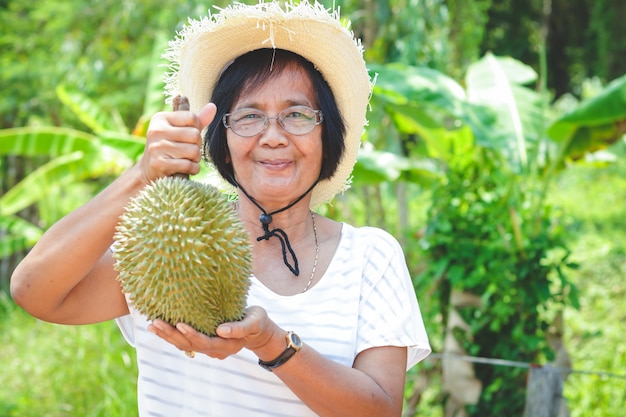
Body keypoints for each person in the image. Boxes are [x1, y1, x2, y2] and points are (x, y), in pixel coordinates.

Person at [10, 1, 430, 416]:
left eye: (297, 115)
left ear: (328, 136)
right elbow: (34, 292)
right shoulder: (168, 242)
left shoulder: (370, 257)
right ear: (222, 143)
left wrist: (271, 342)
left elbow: (379, 410)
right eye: (248, 117)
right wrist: (141, 175)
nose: (273, 137)